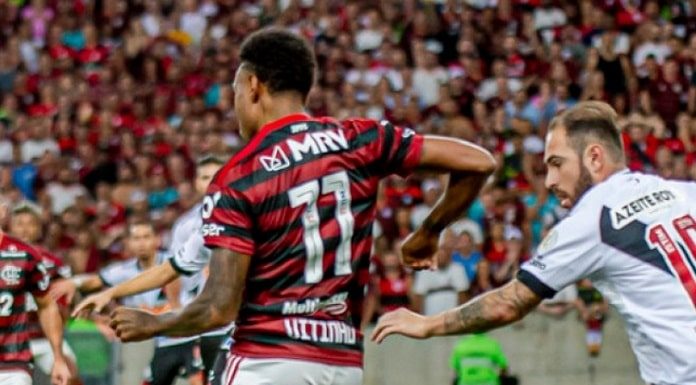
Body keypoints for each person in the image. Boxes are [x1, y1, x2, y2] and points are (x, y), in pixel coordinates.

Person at [106, 27, 496, 385]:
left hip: (266, 361)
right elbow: (478, 162)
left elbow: (217, 308)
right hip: (342, 363)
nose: (235, 102)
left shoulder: (239, 176)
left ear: (254, 86)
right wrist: (429, 231)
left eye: (236, 89)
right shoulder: (359, 139)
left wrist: (153, 324)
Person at [372, 101, 696, 385]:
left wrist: (428, 324)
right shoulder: (685, 192)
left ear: (595, 158)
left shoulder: (591, 221)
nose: (551, 181)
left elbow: (507, 304)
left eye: (557, 164)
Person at [71, 156, 229, 383]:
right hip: (205, 326)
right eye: (206, 177)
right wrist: (110, 292)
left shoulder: (248, 213)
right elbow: (170, 271)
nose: (213, 183)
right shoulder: (193, 226)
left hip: (246, 324)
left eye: (217, 176)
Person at [51, 221, 203, 385]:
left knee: (198, 381)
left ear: (157, 240)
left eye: (146, 237)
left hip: (191, 337)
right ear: (129, 243)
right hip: (161, 342)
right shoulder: (126, 270)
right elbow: (96, 280)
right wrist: (75, 283)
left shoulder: (175, 262)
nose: (141, 243)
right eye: (136, 238)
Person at [0, 198, 71, 385]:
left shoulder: (25, 255)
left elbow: (47, 305)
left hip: (13, 361)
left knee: (72, 373)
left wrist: (58, 357)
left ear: (2, 212)